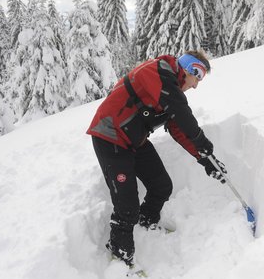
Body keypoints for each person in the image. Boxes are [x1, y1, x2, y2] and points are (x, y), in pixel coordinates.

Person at [87, 50, 227, 267]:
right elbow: (181, 111)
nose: (197, 85)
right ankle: (120, 255)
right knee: (127, 206)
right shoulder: (156, 72)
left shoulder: (171, 90)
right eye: (197, 76)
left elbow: (179, 127)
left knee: (162, 185)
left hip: (135, 140)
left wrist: (206, 159)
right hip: (110, 136)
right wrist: (201, 139)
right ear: (187, 68)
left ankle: (147, 221)